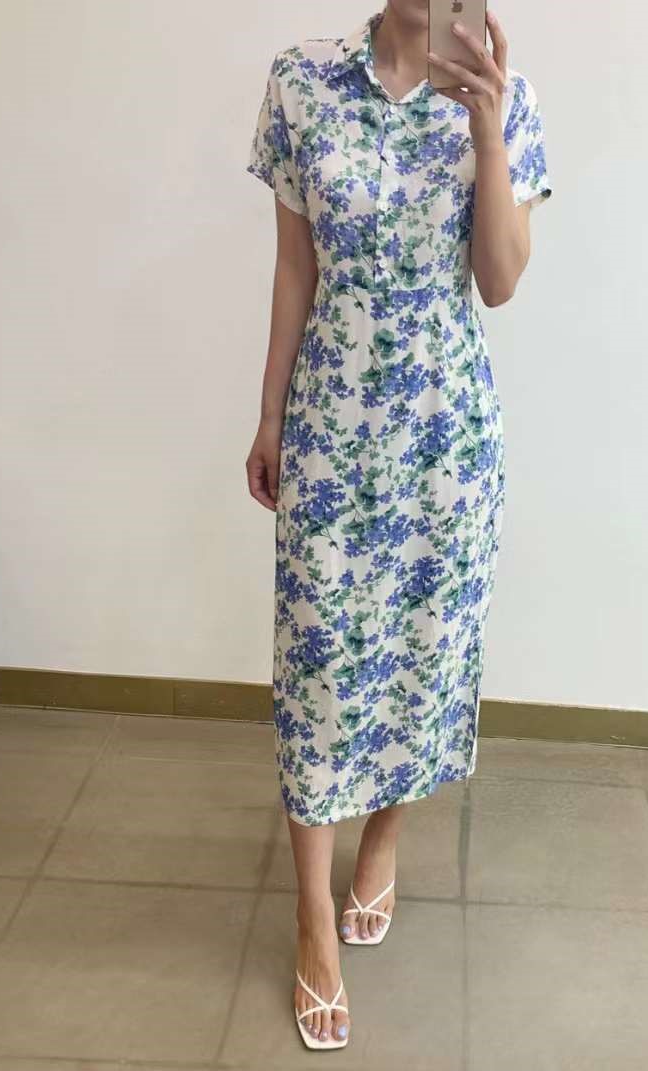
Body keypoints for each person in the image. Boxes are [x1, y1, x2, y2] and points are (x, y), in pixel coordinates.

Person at [245, 1, 551, 1050]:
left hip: (445, 436)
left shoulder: (505, 98)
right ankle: (311, 914)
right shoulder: (301, 82)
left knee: (424, 648)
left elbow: (499, 282)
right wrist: (270, 414)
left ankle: (383, 839)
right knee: (320, 664)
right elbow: (295, 266)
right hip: (332, 423)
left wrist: (487, 127)